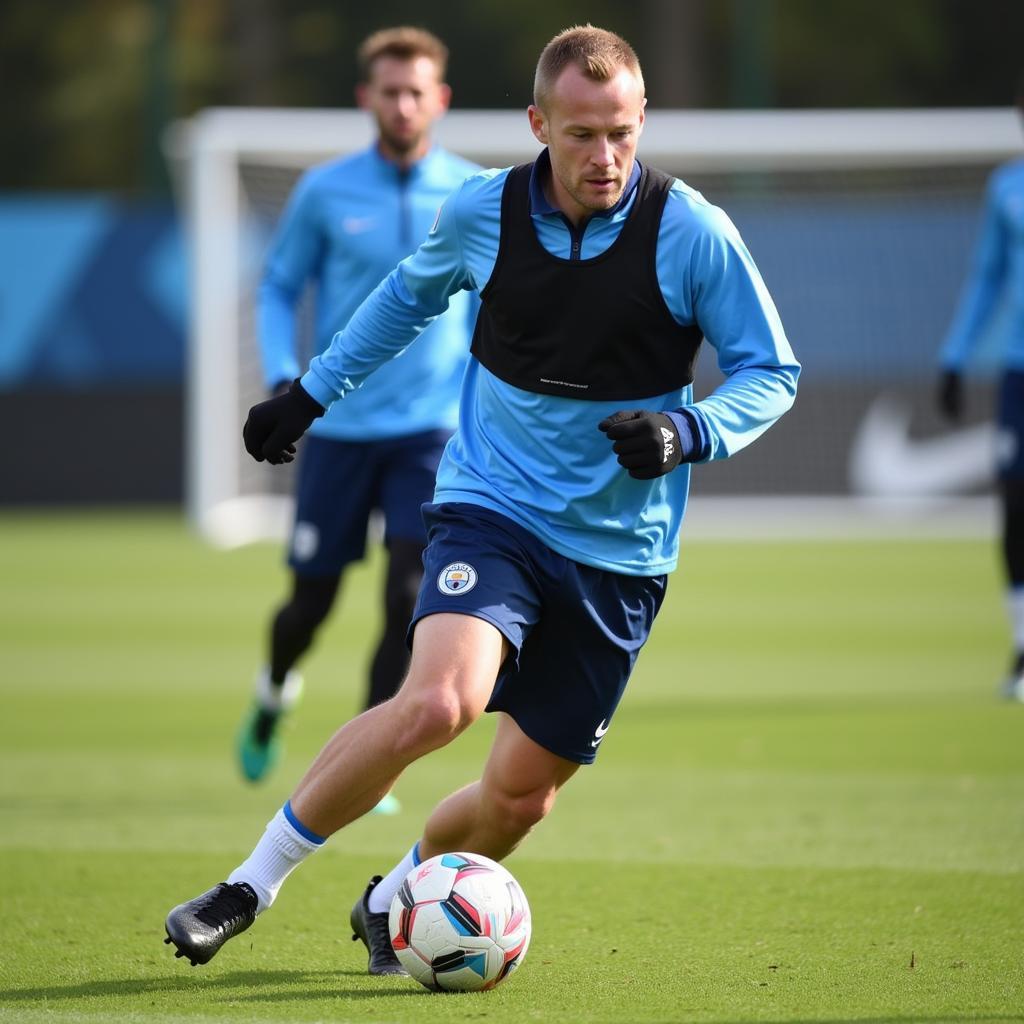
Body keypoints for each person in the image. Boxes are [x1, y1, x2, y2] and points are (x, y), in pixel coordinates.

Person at [164, 25, 800, 975]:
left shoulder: (693, 231)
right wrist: (309, 393)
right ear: (538, 124)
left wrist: (689, 430)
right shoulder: (482, 213)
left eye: (622, 132)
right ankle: (249, 884)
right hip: (491, 503)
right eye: (582, 134)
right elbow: (401, 301)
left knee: (519, 801)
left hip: (620, 555)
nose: (606, 156)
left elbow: (771, 370)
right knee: (438, 704)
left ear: (643, 121)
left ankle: (393, 896)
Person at [235, 27, 480, 800]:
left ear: (439, 99)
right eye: (390, 90)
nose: (403, 104)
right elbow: (278, 286)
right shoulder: (324, 191)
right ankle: (275, 688)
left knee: (409, 597)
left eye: (417, 91)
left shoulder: (475, 194)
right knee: (311, 603)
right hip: (336, 425)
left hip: (432, 429)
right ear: (366, 98)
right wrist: (285, 378)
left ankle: (367, 764)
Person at [937, 73, 1024, 702]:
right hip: (1018, 371)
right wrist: (955, 357)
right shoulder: (1007, 189)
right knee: (1016, 507)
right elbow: (988, 278)